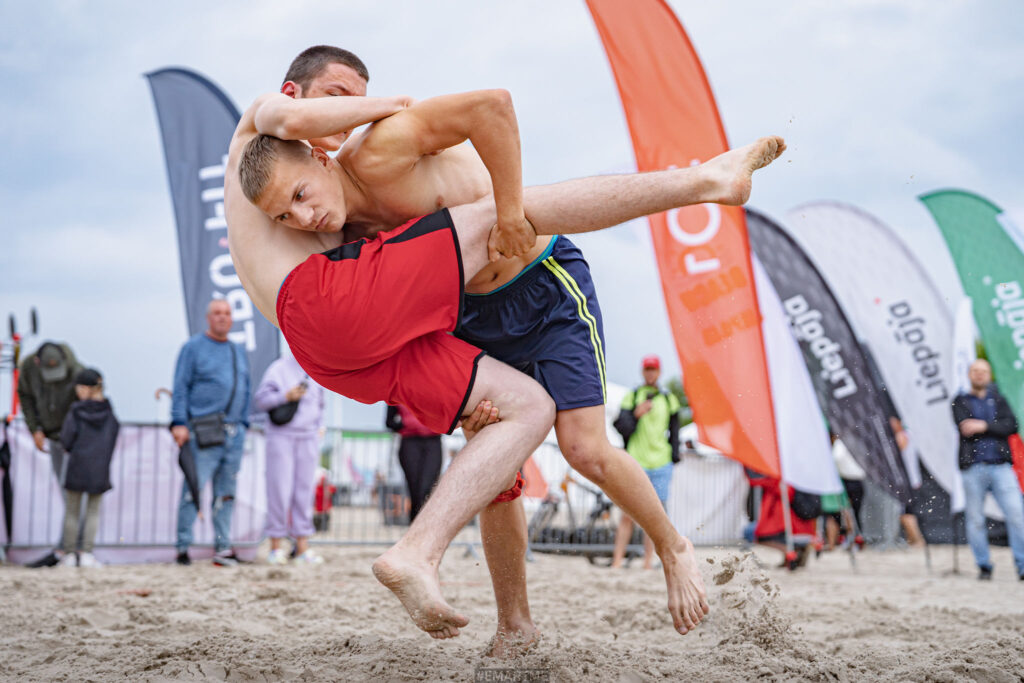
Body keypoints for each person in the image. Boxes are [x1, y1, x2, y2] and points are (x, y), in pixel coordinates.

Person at [226, 68, 783, 641]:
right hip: (468, 313)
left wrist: (512, 208)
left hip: (543, 284)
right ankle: (514, 624)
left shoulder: (379, 148)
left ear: (320, 157)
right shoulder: (343, 238)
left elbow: (492, 106)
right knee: (496, 457)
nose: (302, 218)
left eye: (301, 198)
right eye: (285, 214)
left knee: (585, 449)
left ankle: (671, 545)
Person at [171, 300, 251, 567]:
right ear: (208, 318)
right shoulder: (193, 348)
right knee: (193, 489)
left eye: (227, 313)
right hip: (202, 430)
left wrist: (244, 423)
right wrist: (179, 422)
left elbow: (246, 387)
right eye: (217, 313)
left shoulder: (237, 351)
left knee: (226, 493)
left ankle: (222, 546)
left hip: (234, 432)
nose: (223, 317)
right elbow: (180, 386)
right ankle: (183, 546)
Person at [951, 359, 1024, 581]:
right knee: (975, 520)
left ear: (989, 374)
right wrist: (993, 426)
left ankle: (1022, 565)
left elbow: (1011, 426)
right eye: (975, 371)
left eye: (983, 371)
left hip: (1001, 466)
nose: (980, 374)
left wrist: (982, 426)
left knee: (1017, 515)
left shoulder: (999, 399)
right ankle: (984, 566)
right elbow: (965, 427)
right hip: (973, 468)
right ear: (969, 374)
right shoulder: (960, 401)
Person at [253, 351, 325, 565]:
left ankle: (302, 547)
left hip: (309, 436)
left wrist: (321, 425)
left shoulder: (318, 368)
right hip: (281, 436)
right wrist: (285, 396)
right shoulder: (278, 368)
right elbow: (261, 400)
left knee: (305, 491)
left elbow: (321, 403)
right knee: (279, 489)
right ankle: (275, 547)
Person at [17, 340, 83, 567]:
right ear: (38, 362)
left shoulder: (76, 370)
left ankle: (70, 549)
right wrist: (34, 428)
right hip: (53, 437)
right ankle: (67, 549)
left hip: (74, 441)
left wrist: (74, 435)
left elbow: (86, 402)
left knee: (73, 494)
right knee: (69, 493)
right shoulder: (28, 368)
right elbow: (24, 396)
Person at [611, 355, 680, 569]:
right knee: (627, 513)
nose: (650, 373)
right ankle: (617, 561)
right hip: (636, 461)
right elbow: (620, 426)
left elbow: (675, 432)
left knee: (654, 517)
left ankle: (647, 563)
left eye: (653, 369)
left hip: (661, 463)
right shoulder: (632, 396)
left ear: (659, 372)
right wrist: (635, 414)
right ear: (643, 372)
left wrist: (674, 458)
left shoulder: (669, 399)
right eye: (647, 369)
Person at [56, 368, 119, 568]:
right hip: (100, 466)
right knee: (93, 511)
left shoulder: (76, 410)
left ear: (85, 388)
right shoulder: (109, 411)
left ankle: (69, 554)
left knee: (72, 511)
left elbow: (66, 438)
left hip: (77, 464)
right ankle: (87, 554)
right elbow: (113, 436)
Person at [386, 404, 444, 524]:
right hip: (409, 442)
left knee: (426, 488)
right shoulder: (399, 395)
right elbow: (389, 422)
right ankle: (416, 526)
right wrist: (406, 424)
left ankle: (422, 526)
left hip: (433, 442)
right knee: (415, 491)